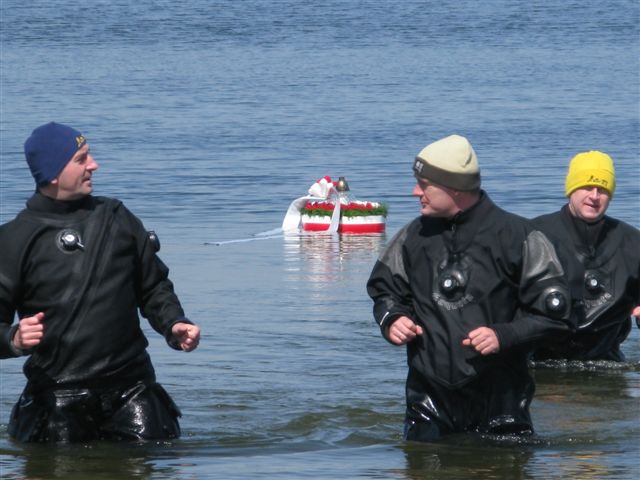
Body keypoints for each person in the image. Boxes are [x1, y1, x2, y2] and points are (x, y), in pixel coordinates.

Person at [0, 122, 201, 443]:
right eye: (81, 159)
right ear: (53, 172)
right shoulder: (13, 240)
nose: (93, 165)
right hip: (58, 396)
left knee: (161, 461)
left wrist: (174, 324)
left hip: (132, 388)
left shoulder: (117, 217)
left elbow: (152, 286)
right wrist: (14, 338)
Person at [366, 134, 575, 442]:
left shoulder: (519, 236)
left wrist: (503, 335)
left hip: (500, 403)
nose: (415, 192)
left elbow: (557, 317)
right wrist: (393, 319)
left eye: (424, 185)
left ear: (455, 189)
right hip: (429, 401)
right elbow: (384, 291)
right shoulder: (411, 237)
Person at [532, 150, 640, 362]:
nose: (594, 196)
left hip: (605, 363)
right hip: (540, 363)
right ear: (571, 188)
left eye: (602, 189)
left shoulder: (633, 243)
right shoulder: (532, 235)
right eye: (586, 187)